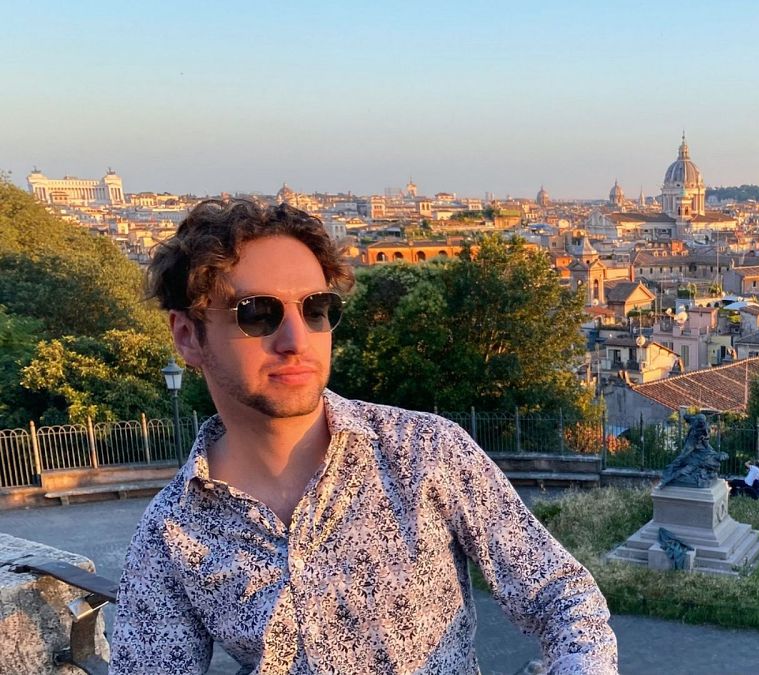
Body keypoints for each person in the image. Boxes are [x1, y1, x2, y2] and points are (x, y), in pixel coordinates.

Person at [110, 200, 618, 674]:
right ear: (186, 336)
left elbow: (561, 596)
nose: (295, 340)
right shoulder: (170, 534)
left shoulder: (426, 452)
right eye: (257, 313)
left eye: (316, 310)